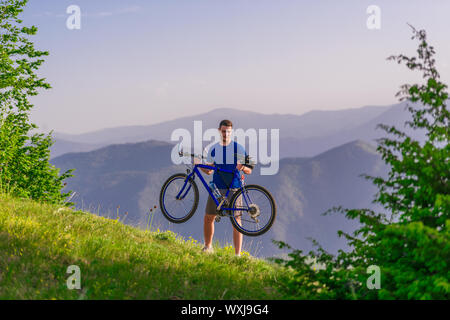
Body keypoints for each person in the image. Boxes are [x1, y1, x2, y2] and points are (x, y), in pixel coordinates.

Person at [196, 119, 252, 257]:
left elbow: (250, 169)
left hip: (234, 188)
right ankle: (208, 247)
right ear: (219, 131)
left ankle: (237, 255)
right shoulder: (214, 148)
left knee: (236, 221)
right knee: (209, 218)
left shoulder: (238, 148)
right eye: (223, 131)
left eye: (228, 131)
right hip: (217, 188)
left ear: (231, 132)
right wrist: (198, 165)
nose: (225, 134)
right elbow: (209, 171)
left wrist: (243, 167)